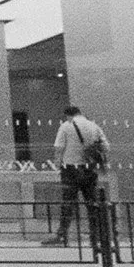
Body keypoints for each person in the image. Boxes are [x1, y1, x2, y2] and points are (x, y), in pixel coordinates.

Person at [43, 105, 110, 248]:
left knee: (68, 203)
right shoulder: (94, 126)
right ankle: (96, 237)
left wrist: (57, 163)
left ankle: (62, 235)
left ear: (68, 115)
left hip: (70, 170)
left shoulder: (66, 126)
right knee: (92, 203)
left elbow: (59, 148)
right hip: (89, 169)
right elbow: (105, 147)